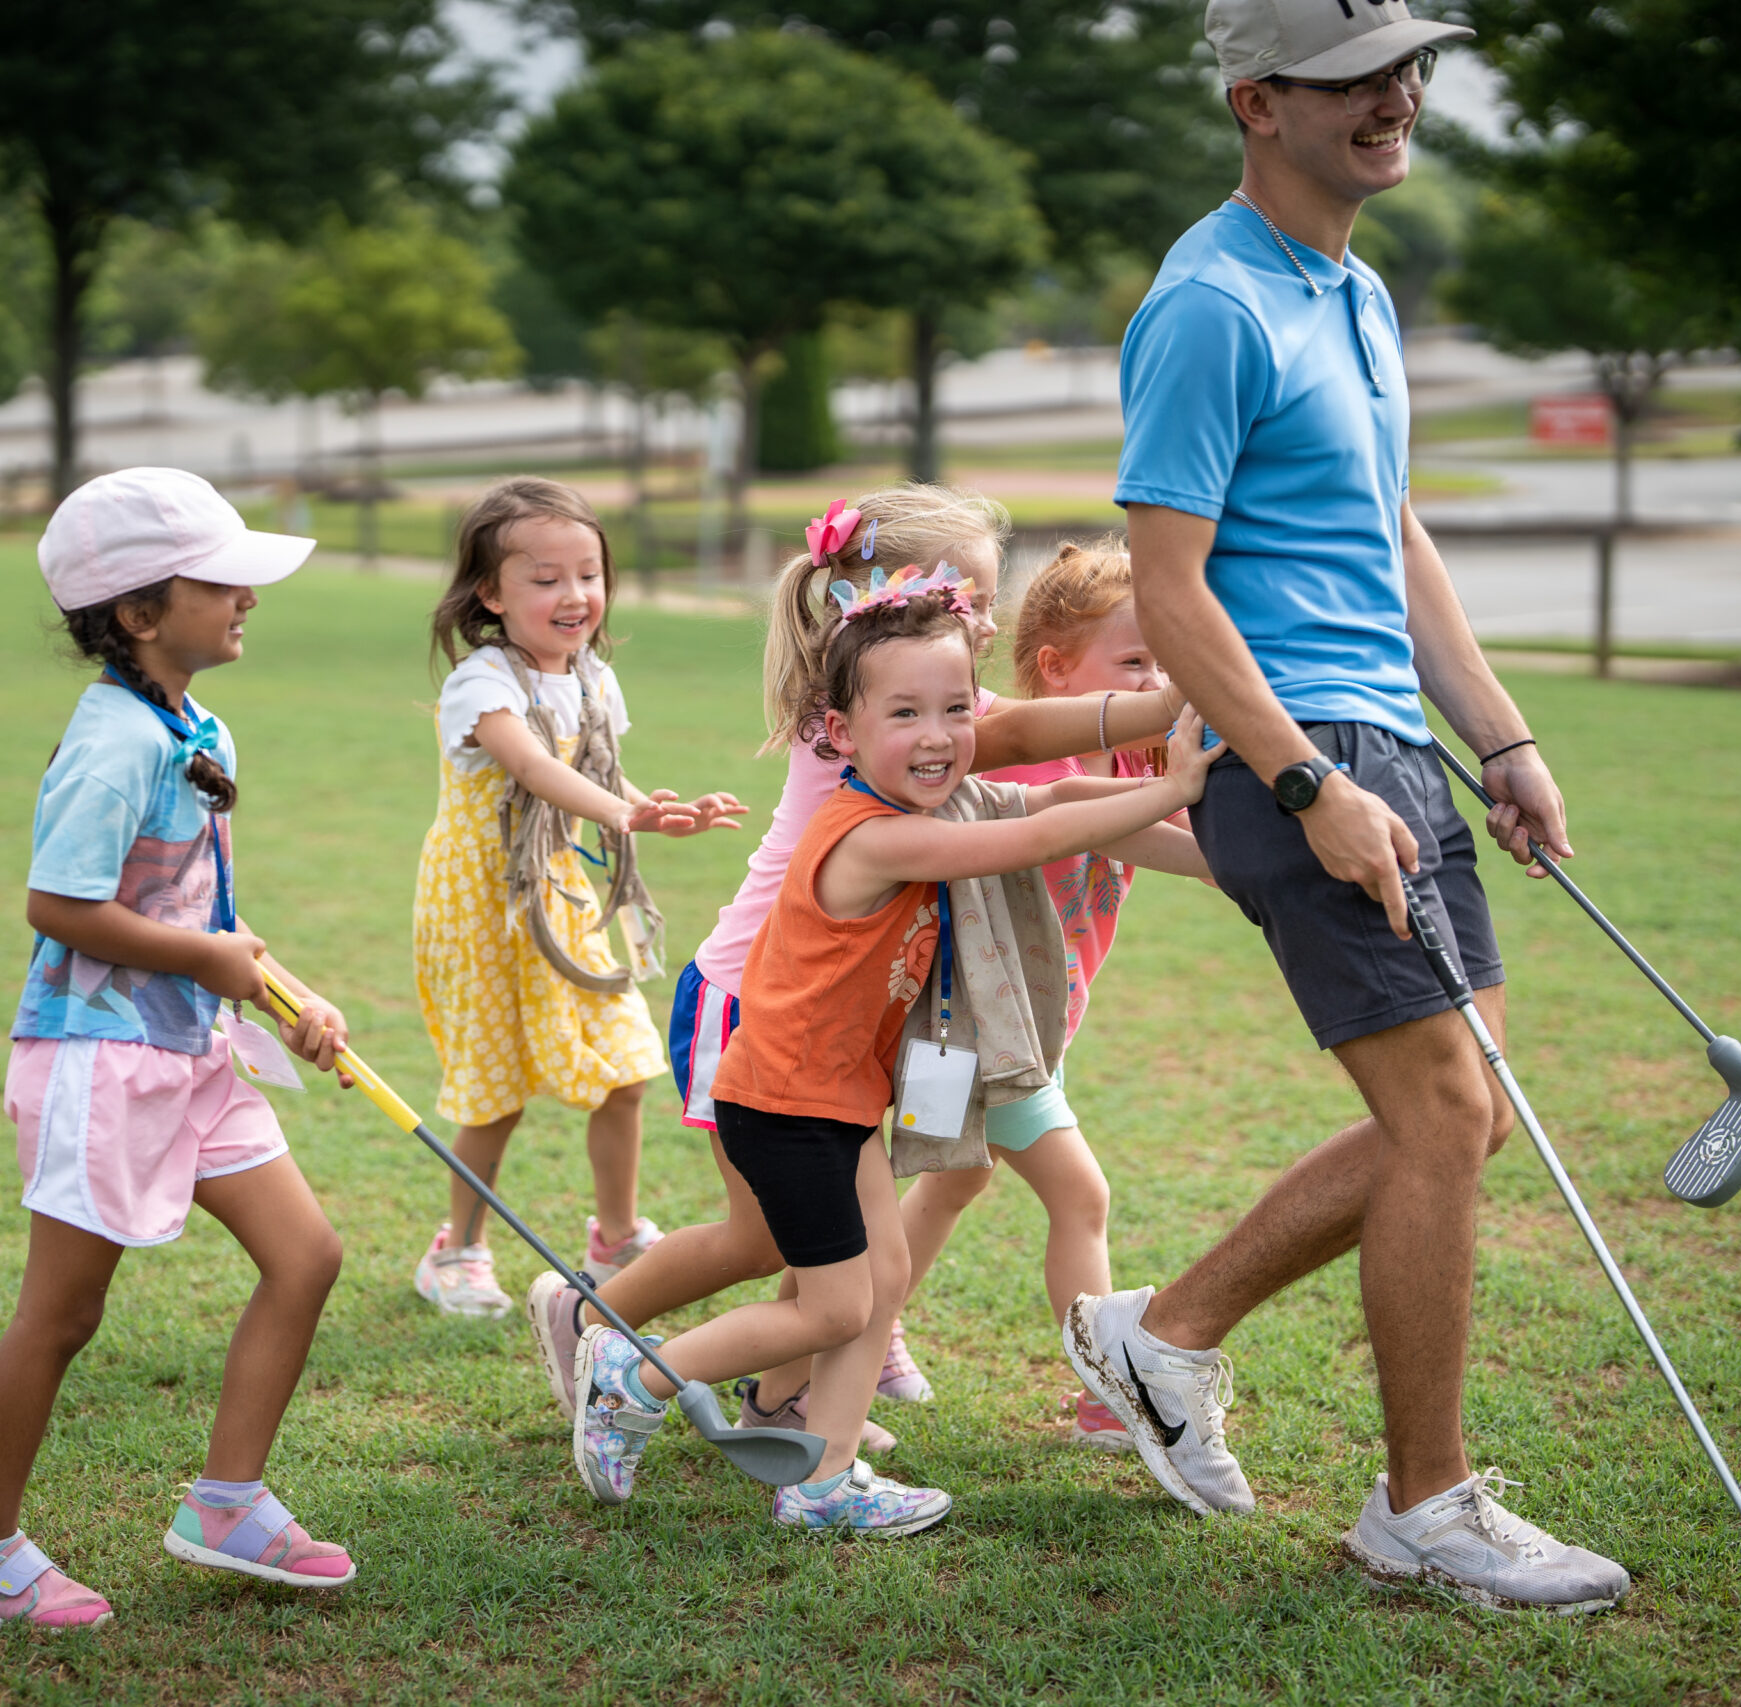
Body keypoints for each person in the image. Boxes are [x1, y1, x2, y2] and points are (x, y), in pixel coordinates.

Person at [1065, 0, 1633, 1615]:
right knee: (1445, 1115)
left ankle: (1161, 1331)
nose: (1397, 97)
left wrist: (1502, 735)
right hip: (1299, 749)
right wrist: (1304, 782)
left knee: (1463, 1106)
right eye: (1351, 78)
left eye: (1408, 68)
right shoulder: (1210, 303)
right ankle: (1424, 1502)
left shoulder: (1358, 289)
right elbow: (1169, 590)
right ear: (1258, 102)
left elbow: (1388, 532)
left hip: (1393, 739)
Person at [521, 486, 1189, 1442]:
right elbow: (1041, 742)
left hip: (838, 1020)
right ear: (896, 596)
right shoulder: (867, 716)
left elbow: (1041, 746)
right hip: (748, 1005)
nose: (987, 619)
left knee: (823, 1233)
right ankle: (587, 1317)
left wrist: (1171, 707)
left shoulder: (911, 702)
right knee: (765, 1239)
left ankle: (784, 1396)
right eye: (973, 594)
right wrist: (1171, 702)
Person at [0, 468, 360, 1627]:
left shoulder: (194, 722)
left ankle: (226, 1504)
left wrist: (279, 994)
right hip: (99, 1060)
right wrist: (217, 966)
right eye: (223, 582)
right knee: (62, 1316)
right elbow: (58, 907)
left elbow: (195, 914)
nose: (247, 599)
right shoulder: (114, 742)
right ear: (138, 613)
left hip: (192, 1048)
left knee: (305, 1255)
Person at [755, 539, 1212, 1452]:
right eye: (1134, 664)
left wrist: (1246, 867)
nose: (1152, 679)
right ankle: (1107, 1395)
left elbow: (1151, 828)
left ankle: (800, 1380)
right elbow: (1058, 814)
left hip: (985, 1033)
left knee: (949, 1183)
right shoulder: (978, 774)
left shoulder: (1090, 764)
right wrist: (1179, 790)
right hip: (965, 1036)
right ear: (1062, 674)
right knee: (1081, 1195)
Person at [411, 477, 746, 1317]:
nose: (574, 595)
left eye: (588, 574)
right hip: (481, 906)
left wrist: (658, 813)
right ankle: (457, 1250)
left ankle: (619, 1231)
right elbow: (533, 767)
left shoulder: (593, 678)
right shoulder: (481, 682)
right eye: (545, 577)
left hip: (557, 899)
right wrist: (617, 810)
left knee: (627, 1068)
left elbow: (598, 772)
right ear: (490, 591)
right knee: (496, 1091)